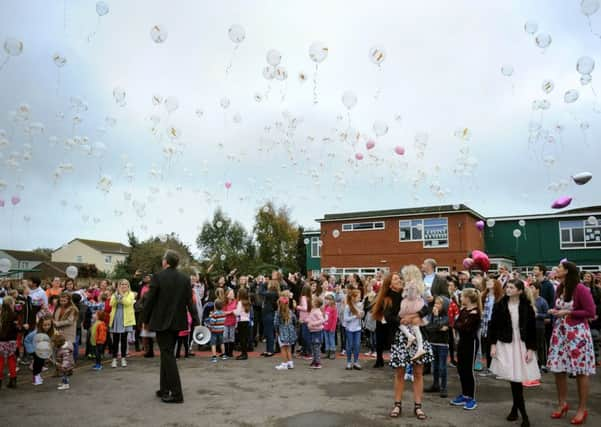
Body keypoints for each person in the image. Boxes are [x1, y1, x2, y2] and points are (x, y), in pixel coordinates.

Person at [142, 250, 199, 404]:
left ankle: (176, 393)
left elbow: (150, 301)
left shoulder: (158, 277)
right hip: (177, 323)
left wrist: (144, 320)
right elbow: (190, 302)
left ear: (166, 262)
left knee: (168, 355)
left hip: (161, 322)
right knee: (167, 354)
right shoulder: (184, 278)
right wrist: (196, 320)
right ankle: (164, 389)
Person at [547, 261, 596, 424]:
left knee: (581, 372)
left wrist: (568, 312)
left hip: (577, 335)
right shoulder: (560, 288)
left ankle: (582, 409)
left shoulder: (580, 288)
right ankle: (562, 404)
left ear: (567, 271)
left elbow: (591, 312)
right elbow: (558, 306)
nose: (556, 270)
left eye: (559, 268)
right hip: (560, 333)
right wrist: (555, 311)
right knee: (558, 369)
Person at [489, 279, 539, 427]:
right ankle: (523, 415)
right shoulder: (500, 305)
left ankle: (515, 410)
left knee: (517, 379)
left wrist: (530, 348)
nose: (508, 289)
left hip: (522, 344)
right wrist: (492, 345)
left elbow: (531, 330)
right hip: (506, 343)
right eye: (507, 287)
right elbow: (493, 326)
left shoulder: (527, 307)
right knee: (514, 379)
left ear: (520, 291)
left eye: (512, 287)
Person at [389, 266, 433, 421]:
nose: (401, 278)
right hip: (402, 336)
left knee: (418, 372)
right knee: (400, 372)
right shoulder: (395, 293)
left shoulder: (420, 289)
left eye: (403, 276)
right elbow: (389, 315)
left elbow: (428, 308)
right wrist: (402, 320)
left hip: (419, 332)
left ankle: (418, 406)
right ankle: (397, 404)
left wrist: (414, 315)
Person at [450, 288, 482, 411]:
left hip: (471, 343)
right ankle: (464, 394)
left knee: (469, 370)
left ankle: (471, 398)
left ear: (468, 298)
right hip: (462, 342)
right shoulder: (464, 310)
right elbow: (456, 324)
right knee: (461, 369)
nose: (461, 298)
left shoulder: (475, 312)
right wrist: (461, 325)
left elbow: (466, 328)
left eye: (462, 297)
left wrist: (461, 325)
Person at [372, 273, 403, 368]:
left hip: (398, 324)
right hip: (385, 323)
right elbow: (386, 314)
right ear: (390, 285)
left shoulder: (404, 294)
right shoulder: (386, 298)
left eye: (399, 278)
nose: (399, 280)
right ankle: (379, 359)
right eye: (396, 279)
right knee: (381, 341)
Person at [425, 296, 450, 398]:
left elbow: (443, 325)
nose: (436, 305)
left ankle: (443, 387)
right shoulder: (431, 315)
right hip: (433, 342)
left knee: (442, 367)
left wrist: (436, 319)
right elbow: (428, 327)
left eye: (439, 304)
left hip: (442, 344)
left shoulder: (447, 316)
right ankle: (436, 385)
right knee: (434, 366)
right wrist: (438, 326)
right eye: (435, 303)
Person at [479, 278, 504, 376]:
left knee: (495, 346)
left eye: (491, 282)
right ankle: (489, 368)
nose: (488, 283)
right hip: (485, 323)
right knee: (488, 345)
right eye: (488, 282)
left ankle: (498, 369)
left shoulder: (499, 297)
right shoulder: (484, 295)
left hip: (495, 324)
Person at [398, 279, 427, 361]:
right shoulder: (411, 285)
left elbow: (411, 295)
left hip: (412, 306)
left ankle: (419, 346)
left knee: (412, 324)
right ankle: (412, 339)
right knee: (405, 323)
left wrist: (409, 287)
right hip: (410, 306)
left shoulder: (413, 286)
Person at [109, 279, 135, 368]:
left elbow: (127, 303)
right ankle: (114, 359)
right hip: (116, 318)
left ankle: (123, 358)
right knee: (115, 340)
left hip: (126, 319)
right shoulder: (115, 294)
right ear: (119, 285)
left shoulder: (131, 294)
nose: (123, 286)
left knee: (124, 340)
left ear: (128, 286)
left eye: (125, 284)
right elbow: (111, 303)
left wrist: (121, 295)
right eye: (121, 284)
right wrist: (117, 295)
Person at [530, 282, 550, 372]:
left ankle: (542, 364)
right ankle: (532, 363)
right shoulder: (528, 300)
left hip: (539, 326)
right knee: (530, 345)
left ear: (537, 289)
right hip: (529, 326)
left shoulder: (542, 301)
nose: (530, 289)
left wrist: (537, 315)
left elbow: (547, 315)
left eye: (532, 287)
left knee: (540, 345)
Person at [0, 296, 19, 389]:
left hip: (1, 341)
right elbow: (16, 328)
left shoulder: (0, 314)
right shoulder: (14, 315)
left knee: (1, 361)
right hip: (12, 340)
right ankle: (13, 380)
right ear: (11, 304)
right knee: (12, 360)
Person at [274, 295, 297, 370]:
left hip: (282, 332)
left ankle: (284, 364)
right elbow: (295, 320)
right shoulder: (290, 311)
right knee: (288, 348)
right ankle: (290, 363)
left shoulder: (278, 313)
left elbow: (276, 323)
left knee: (283, 348)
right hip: (290, 332)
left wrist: (277, 331)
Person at [343, 289, 364, 370]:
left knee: (357, 346)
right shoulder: (348, 306)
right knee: (350, 345)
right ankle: (348, 362)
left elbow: (361, 315)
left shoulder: (359, 305)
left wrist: (362, 315)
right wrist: (356, 316)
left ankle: (355, 362)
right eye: (358, 297)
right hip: (349, 329)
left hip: (358, 329)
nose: (360, 298)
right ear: (353, 297)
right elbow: (345, 318)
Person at [31, 315, 55, 385]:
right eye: (45, 325)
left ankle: (38, 375)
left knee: (41, 362)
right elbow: (27, 340)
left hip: (42, 350)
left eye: (49, 325)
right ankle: (35, 377)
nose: (47, 327)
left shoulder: (50, 331)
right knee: (37, 362)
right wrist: (32, 350)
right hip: (35, 349)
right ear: (40, 325)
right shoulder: (35, 332)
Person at [259, 279, 279, 357]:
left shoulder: (272, 293)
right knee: (267, 333)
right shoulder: (272, 293)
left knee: (269, 333)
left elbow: (260, 292)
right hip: (267, 314)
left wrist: (263, 283)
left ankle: (270, 350)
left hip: (269, 314)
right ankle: (268, 350)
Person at [307, 296, 325, 369]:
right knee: (313, 347)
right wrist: (306, 320)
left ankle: (318, 362)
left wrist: (313, 324)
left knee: (316, 347)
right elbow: (310, 317)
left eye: (313, 301)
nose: (311, 302)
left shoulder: (317, 311)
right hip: (313, 331)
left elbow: (322, 320)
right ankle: (314, 360)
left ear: (316, 303)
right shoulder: (313, 310)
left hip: (317, 332)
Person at [234, 287, 251, 360]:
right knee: (244, 338)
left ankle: (244, 354)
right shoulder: (247, 302)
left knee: (242, 339)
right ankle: (244, 353)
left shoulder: (240, 303)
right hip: (246, 321)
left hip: (241, 321)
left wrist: (233, 311)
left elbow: (237, 313)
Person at [297, 284, 312, 359]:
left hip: (304, 319)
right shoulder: (310, 298)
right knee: (306, 336)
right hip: (308, 319)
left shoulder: (303, 297)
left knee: (305, 337)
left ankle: (308, 353)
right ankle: (306, 351)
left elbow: (305, 308)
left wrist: (297, 306)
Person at [222, 288, 237, 358]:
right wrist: (230, 312)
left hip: (232, 321)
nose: (233, 294)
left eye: (233, 293)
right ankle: (226, 351)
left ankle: (230, 352)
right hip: (225, 322)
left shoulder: (235, 302)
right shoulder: (224, 302)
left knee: (231, 337)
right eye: (231, 293)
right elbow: (222, 312)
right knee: (225, 336)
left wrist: (231, 312)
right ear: (227, 295)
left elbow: (236, 311)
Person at [323, 293, 338, 360]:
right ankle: (327, 352)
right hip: (325, 327)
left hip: (331, 327)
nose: (326, 301)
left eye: (328, 300)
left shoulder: (333, 308)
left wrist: (333, 327)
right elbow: (324, 317)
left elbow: (335, 319)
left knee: (331, 340)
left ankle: (332, 352)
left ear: (331, 300)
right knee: (326, 340)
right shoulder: (325, 307)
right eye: (325, 300)